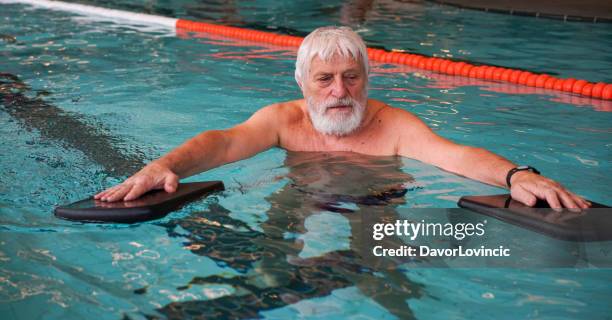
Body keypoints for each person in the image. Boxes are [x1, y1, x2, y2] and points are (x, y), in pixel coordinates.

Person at [95, 26, 590, 210]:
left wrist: (516, 175)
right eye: (325, 79)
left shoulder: (393, 125)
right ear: (302, 83)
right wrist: (163, 165)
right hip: (299, 196)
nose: (339, 91)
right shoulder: (284, 121)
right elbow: (223, 143)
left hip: (376, 200)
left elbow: (455, 156)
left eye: (351, 77)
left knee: (381, 267)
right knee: (274, 250)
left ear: (367, 80)